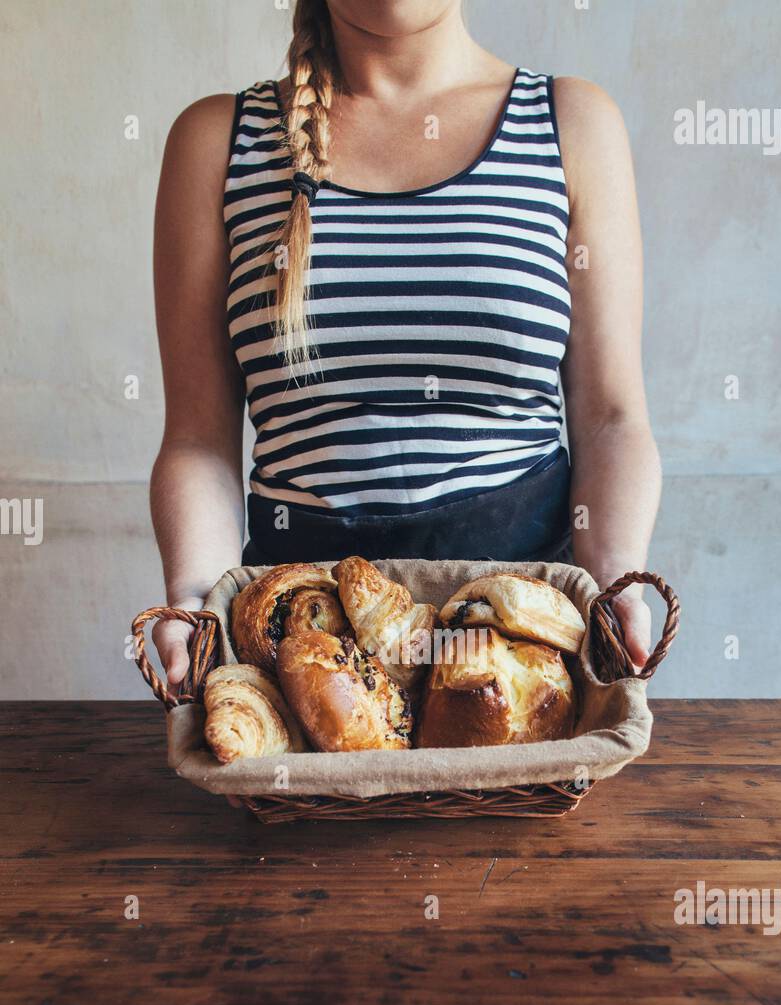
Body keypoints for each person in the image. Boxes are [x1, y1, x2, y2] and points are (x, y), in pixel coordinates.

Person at [151, 0, 661, 686]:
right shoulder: (217, 142)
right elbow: (197, 441)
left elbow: (611, 418)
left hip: (527, 653)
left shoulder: (571, 124)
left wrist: (615, 580)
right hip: (299, 659)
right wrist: (194, 601)